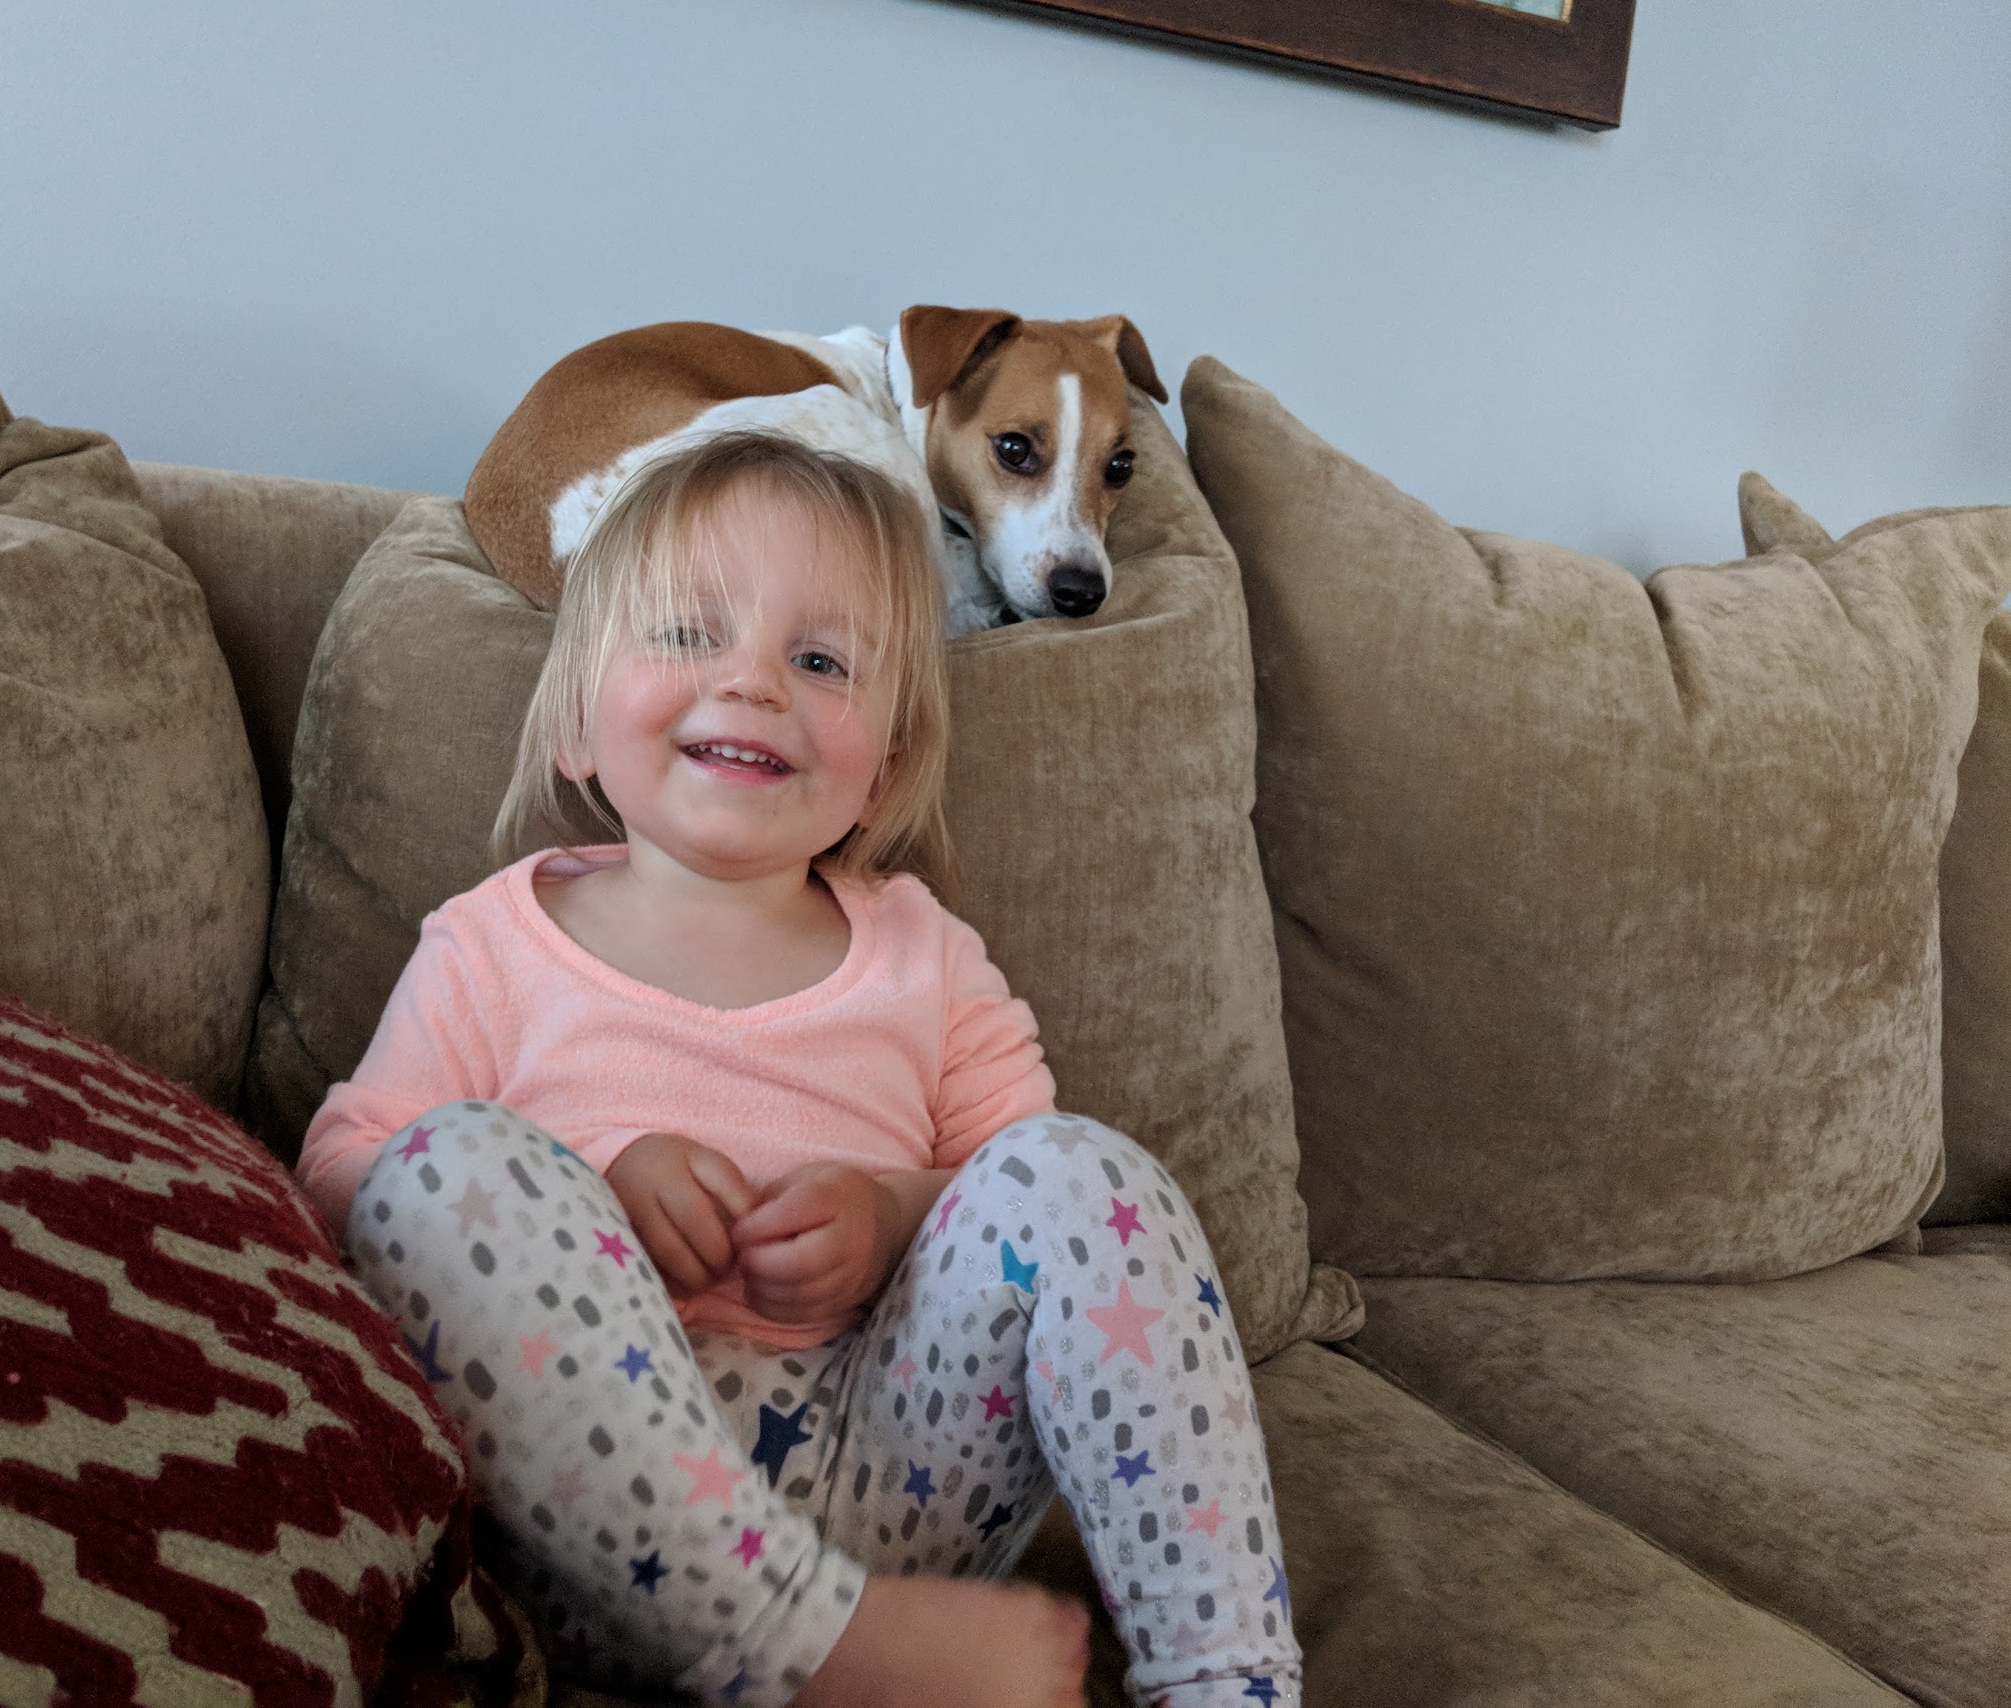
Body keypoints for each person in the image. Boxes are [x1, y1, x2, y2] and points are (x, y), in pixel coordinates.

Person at [297, 431, 1301, 1708]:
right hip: (575, 1546)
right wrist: (592, 1187)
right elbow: (337, 1188)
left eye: (818, 661)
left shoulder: (921, 958)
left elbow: (1024, 1212)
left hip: (891, 1494)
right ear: (571, 727)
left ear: (877, 770)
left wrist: (890, 1214)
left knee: (1079, 1173)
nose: (753, 684)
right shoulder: (492, 943)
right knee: (442, 1172)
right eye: (686, 636)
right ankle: (807, 1647)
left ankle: (1228, 1681)